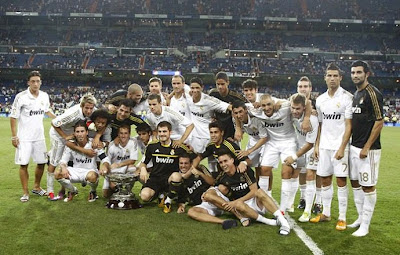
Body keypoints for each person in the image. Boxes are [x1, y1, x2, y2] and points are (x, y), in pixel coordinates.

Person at [188, 151, 290, 235]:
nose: (223, 164)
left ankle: (284, 222)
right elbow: (215, 184)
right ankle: (270, 222)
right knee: (235, 202)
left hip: (255, 202)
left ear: (232, 160)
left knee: (259, 192)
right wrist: (206, 193)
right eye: (221, 162)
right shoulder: (223, 176)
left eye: (225, 161)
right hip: (243, 207)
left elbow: (254, 191)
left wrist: (235, 202)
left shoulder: (243, 170)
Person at [310, 63, 353, 232]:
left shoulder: (347, 97)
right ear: (325, 77)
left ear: (340, 78)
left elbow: (349, 125)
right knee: (325, 179)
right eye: (329, 75)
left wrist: (342, 147)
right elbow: (320, 124)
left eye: (335, 75)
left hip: (340, 146)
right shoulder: (320, 100)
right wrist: (317, 144)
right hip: (324, 146)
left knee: (341, 180)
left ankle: (342, 218)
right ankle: (326, 213)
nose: (332, 78)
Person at [348, 60, 383, 237]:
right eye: (353, 72)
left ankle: (366, 226)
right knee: (355, 182)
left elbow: (379, 121)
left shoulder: (372, 93)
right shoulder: (356, 94)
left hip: (368, 150)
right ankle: (360, 218)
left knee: (368, 186)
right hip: (354, 147)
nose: (355, 75)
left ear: (367, 74)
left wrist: (367, 147)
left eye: (359, 72)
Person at [10, 70, 56, 202]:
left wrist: (60, 119)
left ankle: (36, 187)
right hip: (24, 137)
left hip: (39, 137)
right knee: (23, 164)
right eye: (33, 81)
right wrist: (14, 136)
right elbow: (13, 117)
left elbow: (47, 111)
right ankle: (25, 192)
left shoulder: (44, 96)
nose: (36, 84)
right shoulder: (21, 97)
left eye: (38, 81)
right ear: (28, 83)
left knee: (42, 163)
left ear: (40, 83)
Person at [47, 94, 97, 200]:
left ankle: (70, 188)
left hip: (74, 134)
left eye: (91, 108)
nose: (89, 111)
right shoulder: (73, 113)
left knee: (70, 159)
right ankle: (50, 191)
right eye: (86, 108)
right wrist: (65, 137)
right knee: (55, 162)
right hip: (58, 135)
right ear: (81, 106)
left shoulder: (93, 110)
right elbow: (54, 123)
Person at [138, 121, 194, 213]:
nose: (162, 134)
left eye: (164, 131)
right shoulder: (152, 146)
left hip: (170, 179)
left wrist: (188, 172)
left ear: (170, 132)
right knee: (144, 196)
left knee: (177, 176)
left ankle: (168, 200)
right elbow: (143, 163)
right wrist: (143, 169)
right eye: (160, 132)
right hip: (155, 179)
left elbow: (195, 158)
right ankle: (160, 195)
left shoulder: (178, 147)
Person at [282, 93, 319, 222]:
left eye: (298, 109)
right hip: (299, 147)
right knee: (296, 173)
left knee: (310, 175)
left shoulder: (312, 120)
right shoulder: (291, 114)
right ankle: (290, 204)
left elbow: (310, 144)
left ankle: (307, 211)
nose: (294, 111)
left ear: (304, 108)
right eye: (293, 108)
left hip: (312, 149)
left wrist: (294, 156)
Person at [55, 121, 108, 202]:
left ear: (87, 132)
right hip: (75, 171)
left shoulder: (93, 143)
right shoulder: (71, 145)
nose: (80, 134)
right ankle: (73, 191)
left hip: (90, 171)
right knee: (58, 173)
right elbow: (63, 161)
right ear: (74, 134)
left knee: (92, 176)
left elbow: (104, 158)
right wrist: (63, 167)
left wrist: (104, 165)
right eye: (77, 132)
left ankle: (93, 192)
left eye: (82, 131)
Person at [296, 76, 322, 214]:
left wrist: (317, 144)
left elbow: (322, 126)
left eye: (305, 86)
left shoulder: (318, 105)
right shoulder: (293, 103)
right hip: (300, 144)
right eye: (300, 86)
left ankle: (318, 202)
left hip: (313, 144)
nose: (303, 89)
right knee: (302, 172)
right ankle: (303, 198)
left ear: (310, 89)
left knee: (316, 173)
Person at [185, 77, 231, 153]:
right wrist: (169, 96)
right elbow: (179, 86)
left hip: (209, 137)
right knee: (195, 160)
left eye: (197, 88)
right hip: (195, 137)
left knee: (213, 162)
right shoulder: (188, 97)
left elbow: (228, 107)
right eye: (192, 88)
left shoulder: (209, 100)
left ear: (202, 88)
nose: (195, 90)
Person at [232, 101, 268, 180]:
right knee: (253, 165)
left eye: (240, 112)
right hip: (253, 139)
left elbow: (264, 138)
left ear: (246, 110)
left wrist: (248, 151)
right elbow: (240, 132)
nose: (239, 115)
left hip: (266, 141)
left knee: (265, 168)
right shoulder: (235, 119)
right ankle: (256, 187)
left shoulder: (256, 118)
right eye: (236, 113)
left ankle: (268, 191)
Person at [100, 125, 138, 198]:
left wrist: (119, 165)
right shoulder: (112, 145)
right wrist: (110, 180)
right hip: (112, 170)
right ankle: (117, 187)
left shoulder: (133, 142)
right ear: (118, 134)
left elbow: (133, 160)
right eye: (121, 133)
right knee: (106, 195)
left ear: (129, 134)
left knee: (132, 168)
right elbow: (107, 163)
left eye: (126, 133)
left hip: (125, 168)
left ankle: (128, 189)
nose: (123, 136)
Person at [209, 71, 246, 139]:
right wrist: (212, 117)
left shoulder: (236, 97)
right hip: (218, 130)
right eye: (218, 84)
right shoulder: (213, 94)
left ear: (228, 82)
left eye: (222, 84)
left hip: (231, 130)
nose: (220, 87)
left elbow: (244, 113)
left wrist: (239, 130)